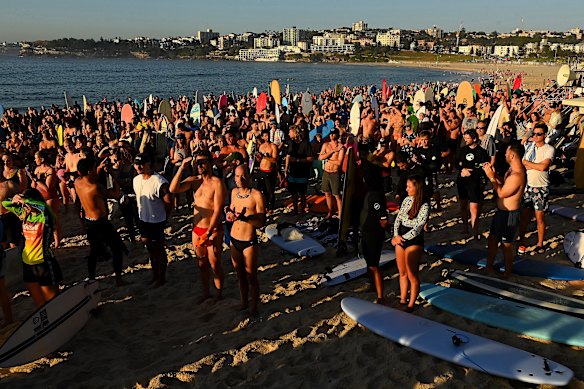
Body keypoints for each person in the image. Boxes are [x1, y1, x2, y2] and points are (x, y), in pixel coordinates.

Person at [170, 152, 226, 303]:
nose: (199, 165)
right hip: (197, 228)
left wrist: (208, 232)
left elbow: (218, 210)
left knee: (214, 263)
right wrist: (182, 167)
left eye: (202, 162)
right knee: (201, 263)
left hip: (212, 229)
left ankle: (219, 293)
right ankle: (206, 292)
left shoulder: (217, 183)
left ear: (210, 163)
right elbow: (173, 189)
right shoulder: (194, 181)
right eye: (197, 163)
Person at [2, 189, 62, 308]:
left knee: (52, 303)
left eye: (28, 204)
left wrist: (26, 200)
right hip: (28, 264)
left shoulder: (45, 216)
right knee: (39, 304)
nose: (25, 207)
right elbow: (4, 204)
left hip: (44, 263)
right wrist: (15, 199)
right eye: (24, 205)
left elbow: (43, 206)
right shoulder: (25, 214)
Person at [75, 157, 128, 286]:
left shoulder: (77, 182)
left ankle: (92, 277)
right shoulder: (96, 187)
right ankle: (119, 280)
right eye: (94, 168)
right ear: (89, 170)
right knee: (117, 250)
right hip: (101, 223)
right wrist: (112, 175)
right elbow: (116, 194)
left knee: (93, 252)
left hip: (88, 221)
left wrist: (98, 167)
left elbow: (89, 176)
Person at [225, 165, 265, 316]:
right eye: (237, 176)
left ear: (249, 176)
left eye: (243, 176)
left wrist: (245, 218)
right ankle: (244, 303)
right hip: (234, 239)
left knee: (251, 276)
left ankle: (254, 307)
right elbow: (231, 211)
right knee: (240, 275)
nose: (239, 180)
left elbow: (261, 222)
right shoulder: (234, 193)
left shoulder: (256, 195)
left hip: (249, 241)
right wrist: (229, 214)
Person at [483, 142, 527, 277]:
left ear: (512, 155)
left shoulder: (517, 175)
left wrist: (491, 177)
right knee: (492, 239)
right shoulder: (511, 171)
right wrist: (495, 175)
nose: (505, 155)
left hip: (510, 214)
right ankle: (488, 267)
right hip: (501, 212)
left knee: (506, 245)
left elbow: (501, 193)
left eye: (507, 153)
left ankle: (507, 273)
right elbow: (505, 184)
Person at [133, 153, 172, 286]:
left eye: (141, 164)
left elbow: (168, 202)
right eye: (136, 163)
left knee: (159, 250)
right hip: (143, 219)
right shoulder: (136, 180)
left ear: (148, 164)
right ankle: (155, 275)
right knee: (150, 249)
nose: (138, 166)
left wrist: (165, 218)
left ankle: (162, 278)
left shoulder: (159, 182)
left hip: (157, 221)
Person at [391, 175, 429, 312]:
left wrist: (402, 238)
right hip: (401, 236)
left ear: (416, 188)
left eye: (409, 187)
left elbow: (418, 228)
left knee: (412, 274)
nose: (406, 189)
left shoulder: (424, 206)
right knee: (402, 273)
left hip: (413, 240)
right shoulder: (406, 200)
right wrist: (395, 236)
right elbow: (398, 218)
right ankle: (402, 299)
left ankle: (411, 304)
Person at [358, 145, 390, 304]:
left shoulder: (376, 195)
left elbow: (383, 220)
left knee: (374, 264)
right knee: (368, 261)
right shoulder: (370, 192)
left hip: (374, 232)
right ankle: (372, 285)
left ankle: (380, 296)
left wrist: (385, 231)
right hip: (366, 230)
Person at [518, 123, 555, 253]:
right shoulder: (529, 147)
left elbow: (543, 167)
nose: (535, 136)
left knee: (540, 217)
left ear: (545, 135)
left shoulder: (549, 149)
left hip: (540, 186)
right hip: (528, 185)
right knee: (524, 215)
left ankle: (540, 243)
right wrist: (533, 165)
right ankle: (521, 238)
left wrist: (528, 164)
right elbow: (525, 166)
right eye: (534, 133)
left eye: (538, 134)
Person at [456, 130, 489, 239]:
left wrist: (471, 171)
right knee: (463, 205)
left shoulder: (482, 152)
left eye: (468, 138)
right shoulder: (462, 150)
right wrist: (462, 169)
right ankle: (465, 227)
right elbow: (456, 163)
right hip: (462, 181)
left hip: (475, 182)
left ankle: (475, 231)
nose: (465, 140)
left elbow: (484, 168)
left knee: (474, 207)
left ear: (474, 139)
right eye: (465, 138)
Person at [285, 125, 314, 215]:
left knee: (302, 193)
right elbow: (288, 156)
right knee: (293, 193)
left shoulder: (305, 143)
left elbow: (310, 158)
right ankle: (295, 210)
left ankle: (302, 209)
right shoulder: (291, 143)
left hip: (302, 172)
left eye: (290, 132)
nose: (289, 134)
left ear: (295, 132)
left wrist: (298, 160)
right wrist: (286, 169)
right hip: (292, 172)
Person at [318, 128, 345, 218]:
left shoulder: (341, 147)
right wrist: (332, 152)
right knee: (327, 193)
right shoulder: (326, 145)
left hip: (335, 173)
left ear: (337, 135)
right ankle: (330, 211)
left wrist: (328, 159)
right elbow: (320, 157)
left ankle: (340, 214)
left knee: (337, 195)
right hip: (326, 172)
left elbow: (339, 163)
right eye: (330, 134)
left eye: (333, 134)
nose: (331, 135)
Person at [256, 130, 278, 213]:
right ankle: (265, 206)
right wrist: (257, 157)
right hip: (261, 170)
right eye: (265, 136)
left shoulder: (273, 146)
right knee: (262, 190)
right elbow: (259, 160)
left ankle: (271, 207)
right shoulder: (261, 146)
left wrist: (265, 157)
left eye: (268, 135)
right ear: (262, 137)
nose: (267, 137)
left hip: (269, 171)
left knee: (270, 191)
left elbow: (274, 160)